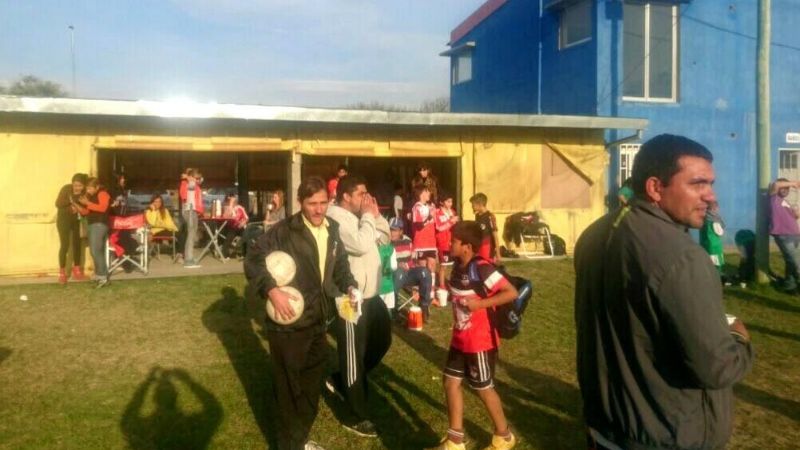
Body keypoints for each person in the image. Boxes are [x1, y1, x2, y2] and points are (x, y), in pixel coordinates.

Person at [574, 134, 754, 450]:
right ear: (656, 188)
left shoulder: (594, 234)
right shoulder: (683, 258)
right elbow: (717, 367)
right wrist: (739, 338)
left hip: (607, 423)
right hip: (664, 432)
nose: (710, 196)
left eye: (711, 184)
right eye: (697, 184)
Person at [244, 176, 359, 450]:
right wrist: (271, 290)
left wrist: (350, 286)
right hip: (288, 324)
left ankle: (299, 437)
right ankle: (289, 445)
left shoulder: (332, 229)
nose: (319, 209)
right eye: (312, 204)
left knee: (311, 385)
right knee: (287, 391)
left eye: (323, 203)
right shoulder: (285, 231)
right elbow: (253, 258)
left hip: (319, 320)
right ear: (300, 202)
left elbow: (340, 265)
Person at [427, 221, 518, 450]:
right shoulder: (458, 265)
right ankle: (455, 441)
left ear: (467, 246)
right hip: (460, 338)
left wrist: (480, 304)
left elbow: (511, 292)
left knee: (482, 388)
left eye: (454, 241)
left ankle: (504, 436)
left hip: (479, 341)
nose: (449, 244)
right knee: (450, 383)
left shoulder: (482, 268)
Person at [325, 175, 392, 438]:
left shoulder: (361, 216)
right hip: (349, 297)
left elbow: (384, 238)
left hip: (371, 295)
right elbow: (362, 244)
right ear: (346, 196)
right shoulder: (336, 218)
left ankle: (341, 380)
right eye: (361, 194)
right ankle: (355, 415)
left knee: (382, 340)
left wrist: (376, 215)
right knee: (353, 354)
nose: (366, 198)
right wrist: (367, 218)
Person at [390, 217, 433, 320]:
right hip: (393, 274)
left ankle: (424, 307)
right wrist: (397, 265)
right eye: (390, 229)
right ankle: (393, 309)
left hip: (408, 273)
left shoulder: (408, 241)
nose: (391, 233)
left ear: (401, 231)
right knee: (399, 272)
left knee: (425, 272)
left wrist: (410, 268)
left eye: (394, 230)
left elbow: (413, 261)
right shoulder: (386, 242)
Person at [55, 173, 88, 284]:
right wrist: (72, 202)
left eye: (80, 186)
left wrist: (78, 205)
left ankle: (77, 270)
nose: (77, 188)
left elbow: (85, 207)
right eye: (75, 185)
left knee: (77, 244)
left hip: (76, 221)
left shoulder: (84, 193)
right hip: (63, 221)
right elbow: (58, 203)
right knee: (64, 245)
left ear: (84, 185)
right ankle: (62, 273)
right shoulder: (66, 189)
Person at [768, 177, 800, 292]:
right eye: (784, 187)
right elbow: (775, 185)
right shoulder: (774, 198)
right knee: (796, 262)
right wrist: (794, 183)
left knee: (791, 262)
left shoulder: (785, 202)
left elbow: (794, 217)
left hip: (794, 235)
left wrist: (796, 213)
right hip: (783, 235)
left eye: (787, 188)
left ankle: (789, 286)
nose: (786, 190)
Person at [79, 177, 111, 288]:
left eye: (90, 188)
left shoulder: (102, 193)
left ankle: (103, 277)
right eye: (87, 188)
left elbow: (103, 208)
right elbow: (87, 211)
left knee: (95, 251)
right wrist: (78, 206)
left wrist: (87, 203)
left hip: (99, 224)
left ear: (97, 187)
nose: (88, 190)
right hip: (92, 224)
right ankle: (100, 276)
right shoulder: (92, 196)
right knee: (96, 252)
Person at [412, 186, 438, 299]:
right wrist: (430, 216)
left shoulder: (431, 206)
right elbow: (418, 226)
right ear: (421, 193)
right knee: (421, 269)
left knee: (432, 267)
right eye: (427, 192)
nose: (429, 194)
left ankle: (431, 294)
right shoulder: (416, 207)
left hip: (431, 242)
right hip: (421, 244)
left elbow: (436, 223)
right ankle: (419, 292)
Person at [179, 168, 204, 269]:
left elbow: (201, 179)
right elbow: (187, 192)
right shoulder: (187, 184)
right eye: (195, 176)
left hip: (194, 211)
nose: (197, 179)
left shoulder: (194, 183)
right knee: (191, 234)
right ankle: (188, 259)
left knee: (192, 235)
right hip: (189, 210)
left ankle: (190, 257)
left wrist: (188, 176)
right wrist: (187, 177)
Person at [434, 191, 459, 291]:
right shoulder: (437, 212)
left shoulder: (452, 212)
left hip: (453, 242)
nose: (450, 204)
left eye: (451, 202)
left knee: (455, 264)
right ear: (442, 202)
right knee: (443, 266)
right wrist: (450, 222)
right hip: (443, 242)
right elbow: (439, 228)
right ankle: (442, 286)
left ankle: (453, 283)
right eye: (448, 202)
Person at [699, 200, 726, 280]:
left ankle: (706, 276)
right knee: (716, 263)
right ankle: (717, 277)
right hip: (714, 244)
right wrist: (722, 230)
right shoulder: (714, 220)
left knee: (707, 261)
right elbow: (719, 232)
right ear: (714, 208)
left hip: (705, 243)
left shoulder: (704, 218)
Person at [470, 193, 501, 263]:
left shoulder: (490, 217)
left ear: (480, 204)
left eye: (473, 205)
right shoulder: (477, 216)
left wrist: (498, 253)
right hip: (479, 246)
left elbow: (495, 235)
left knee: (486, 266)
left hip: (487, 248)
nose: (471, 207)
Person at [221, 194, 249, 258]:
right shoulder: (226, 207)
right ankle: (225, 254)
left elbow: (246, 218)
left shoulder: (240, 207)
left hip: (240, 227)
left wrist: (243, 223)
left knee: (246, 234)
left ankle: (244, 253)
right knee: (230, 235)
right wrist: (231, 204)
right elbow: (226, 216)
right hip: (231, 227)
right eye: (232, 199)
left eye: (234, 199)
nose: (234, 200)